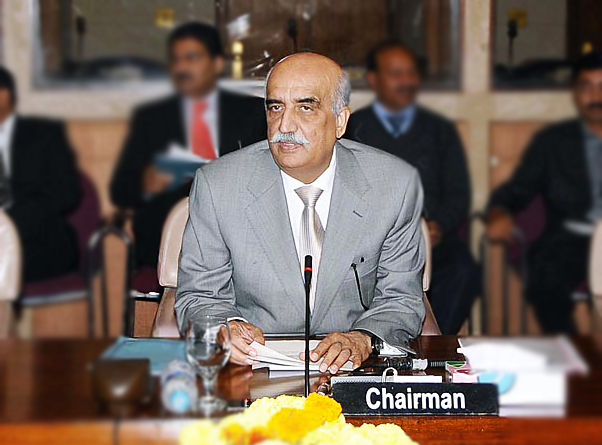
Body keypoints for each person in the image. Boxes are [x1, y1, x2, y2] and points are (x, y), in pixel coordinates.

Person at [176, 52, 426, 374]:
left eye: (305, 107)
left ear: (340, 121)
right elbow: (199, 295)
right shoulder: (218, 186)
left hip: (354, 373)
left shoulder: (393, 186)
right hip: (253, 369)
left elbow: (400, 300)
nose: (284, 125)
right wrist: (228, 328)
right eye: (275, 107)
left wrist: (363, 339)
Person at [344, 41, 477, 334]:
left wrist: (439, 225)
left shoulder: (440, 129)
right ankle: (382, 339)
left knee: (464, 270)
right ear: (374, 80)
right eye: (396, 73)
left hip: (432, 238)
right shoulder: (352, 128)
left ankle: (431, 348)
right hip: (374, 241)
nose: (406, 81)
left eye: (411, 73)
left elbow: (459, 192)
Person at [110, 22, 266, 268]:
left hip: (237, 231)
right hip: (170, 235)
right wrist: (146, 182)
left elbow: (271, 178)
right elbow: (120, 190)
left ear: (216, 64)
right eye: (176, 60)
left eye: (191, 58)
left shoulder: (253, 113)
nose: (181, 67)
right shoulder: (151, 117)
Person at [487, 52, 602, 334]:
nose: (595, 95)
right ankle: (574, 362)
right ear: (575, 94)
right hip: (573, 238)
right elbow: (517, 189)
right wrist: (500, 212)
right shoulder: (554, 142)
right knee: (546, 280)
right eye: (586, 87)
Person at [0, 66, 81, 283]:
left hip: (38, 241)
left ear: (8, 94)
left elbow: (67, 191)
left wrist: (12, 221)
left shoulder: (43, 132)